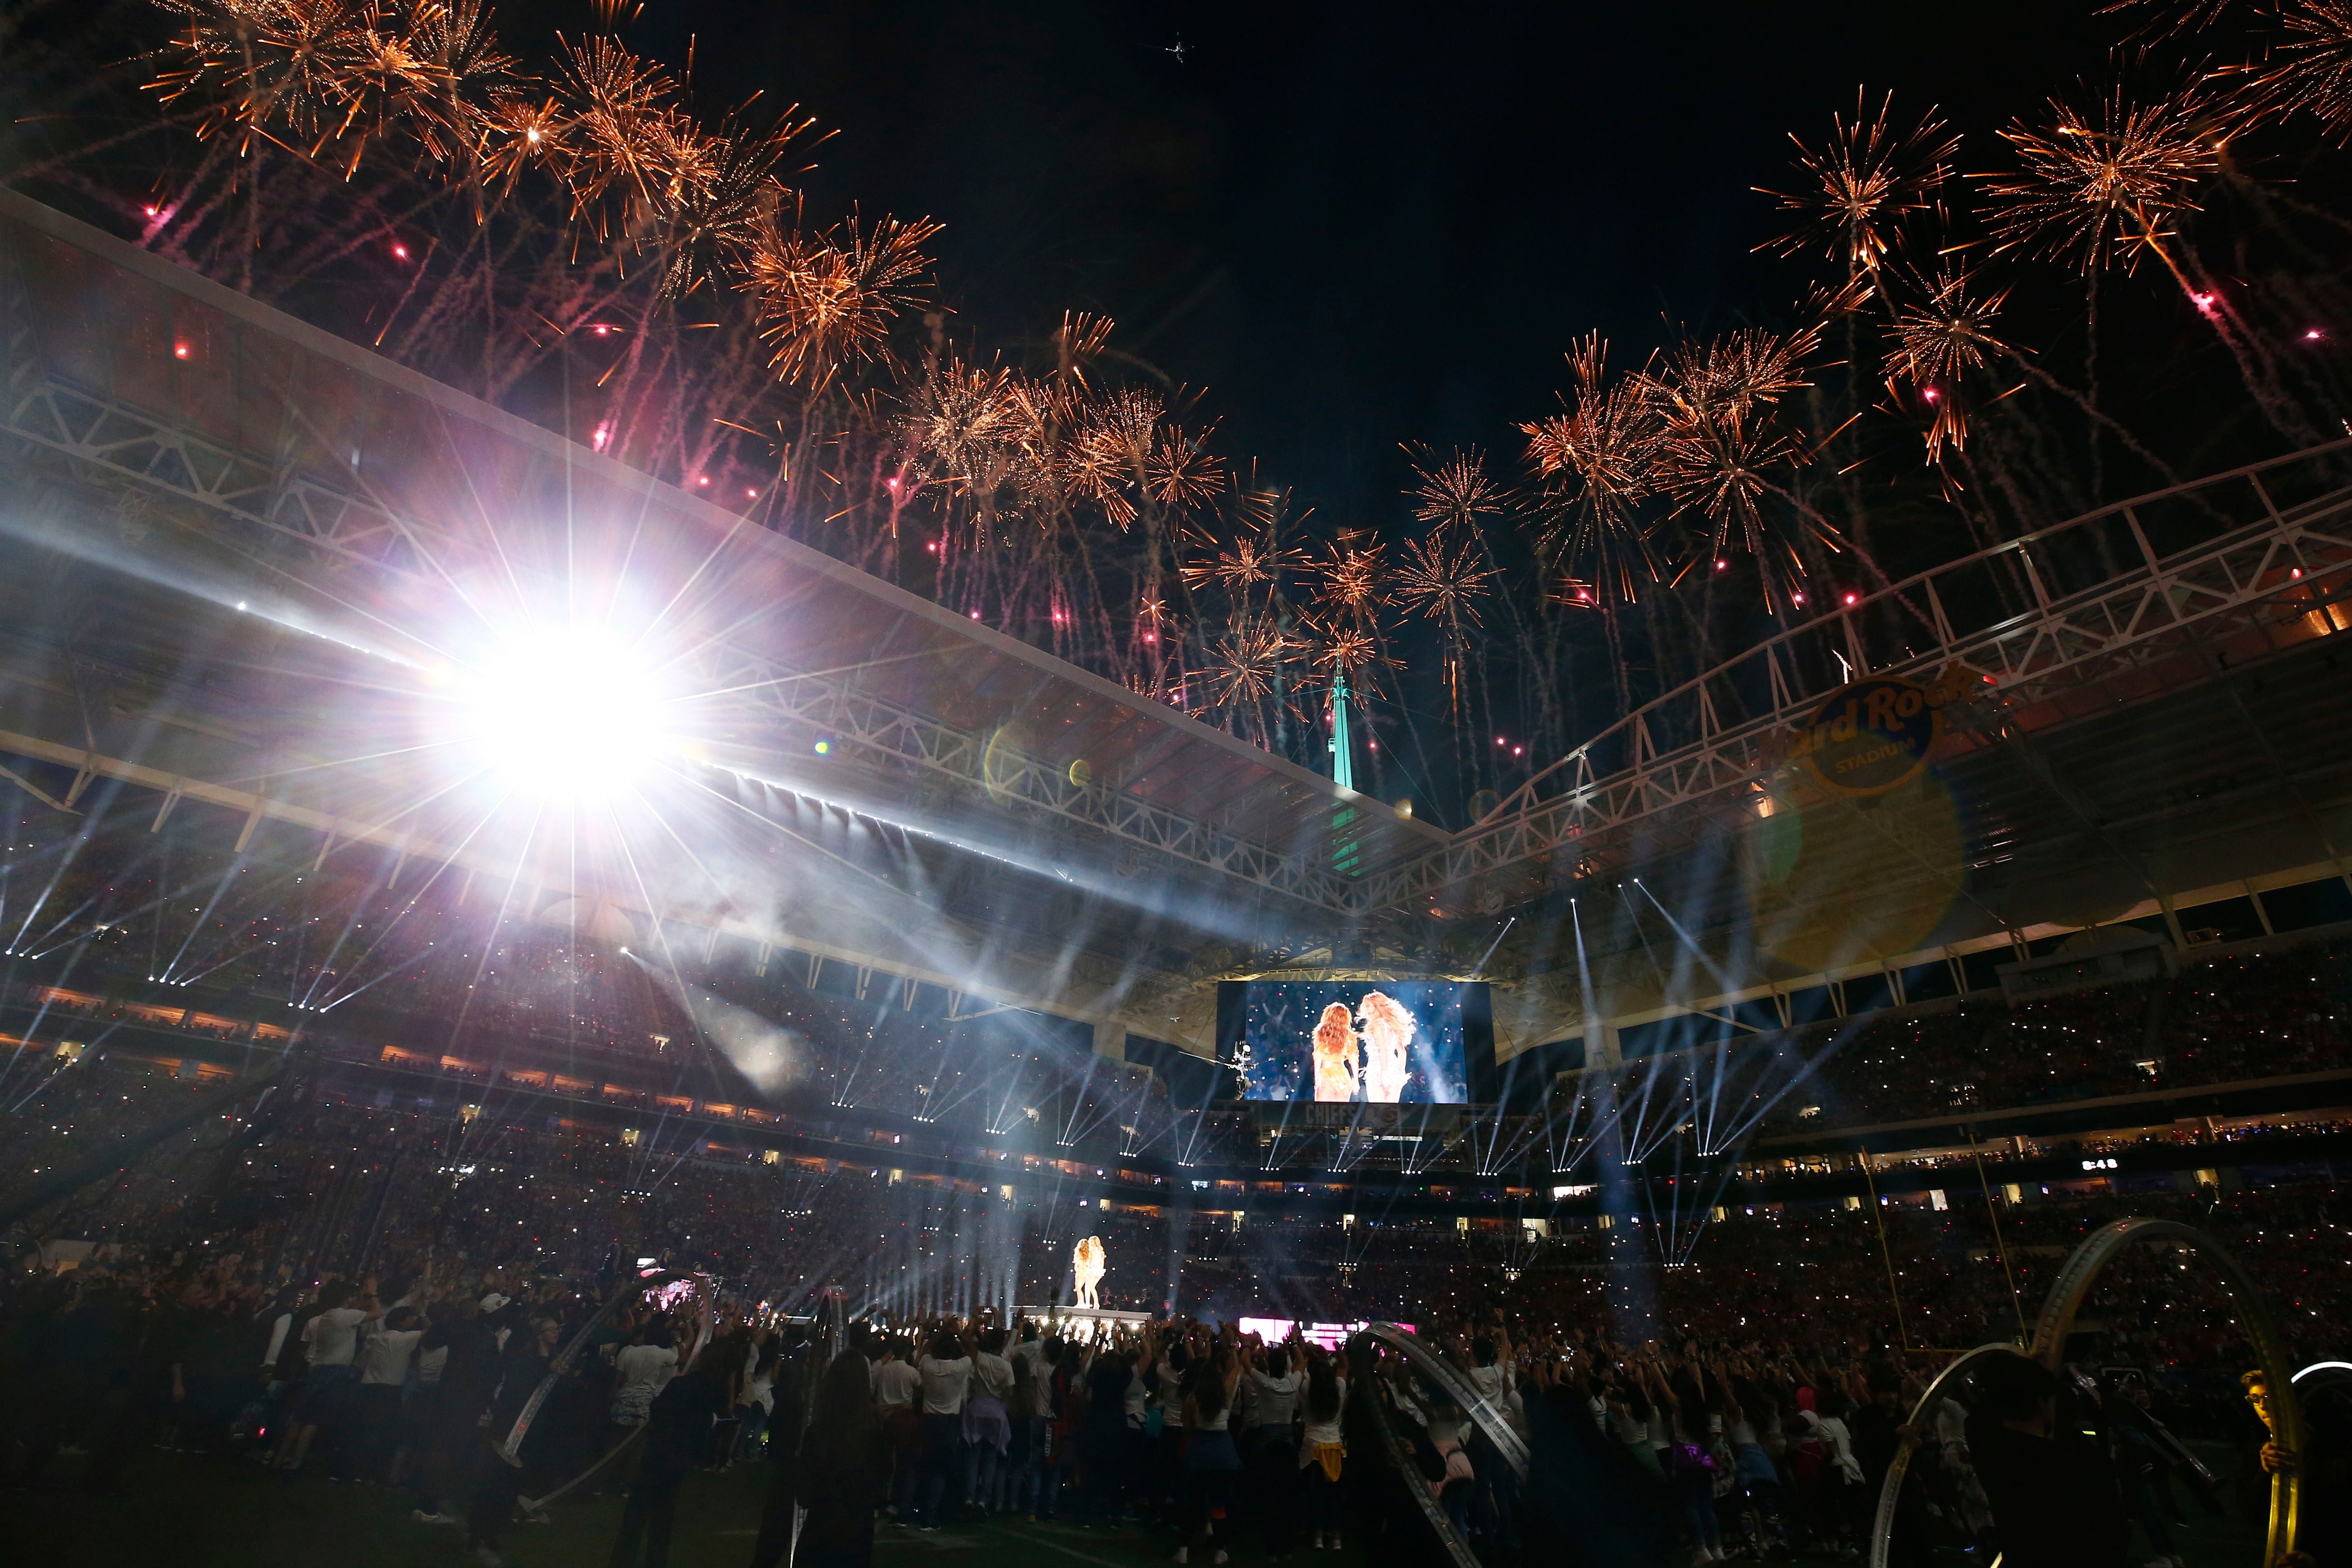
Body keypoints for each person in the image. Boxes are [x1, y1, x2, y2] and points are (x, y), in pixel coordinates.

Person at [1965, 1351, 2128, 1568]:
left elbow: (1978, 1418)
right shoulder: (2078, 1459)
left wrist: (2017, 1377)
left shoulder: (1995, 1452)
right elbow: (2115, 1534)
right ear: (2042, 1404)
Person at [608, 1347, 724, 1568]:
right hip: (679, 1459)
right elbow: (699, 1426)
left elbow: (660, 1410)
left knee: (637, 1513)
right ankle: (655, 1560)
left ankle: (623, 1560)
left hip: (658, 1454)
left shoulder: (681, 1384)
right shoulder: (710, 1389)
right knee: (663, 1515)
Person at [797, 1349, 896, 1568]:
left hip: (820, 1531)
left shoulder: (818, 1432)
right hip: (857, 1533)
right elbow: (882, 1484)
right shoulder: (876, 1432)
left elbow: (803, 1493)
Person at [1176, 1343, 1244, 1566]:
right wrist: (1233, 1345)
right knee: (1219, 1505)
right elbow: (1236, 1369)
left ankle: (1184, 1550)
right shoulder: (1226, 1394)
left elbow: (1186, 1429)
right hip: (1223, 1452)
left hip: (1200, 1452)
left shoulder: (1193, 1399)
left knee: (1194, 1504)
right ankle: (1220, 1551)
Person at [912, 1324, 975, 1529]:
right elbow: (974, 1352)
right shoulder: (959, 1368)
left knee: (926, 1467)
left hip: (929, 1421)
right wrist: (958, 1332)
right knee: (942, 1471)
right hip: (949, 1423)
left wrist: (942, 1332)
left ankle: (917, 1511)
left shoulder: (928, 1366)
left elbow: (926, 1349)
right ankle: (932, 1515)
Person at [1298, 1347, 1348, 1552]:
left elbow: (1300, 1371)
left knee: (1315, 1494)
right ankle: (1335, 1537)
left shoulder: (1308, 1387)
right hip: (1334, 1446)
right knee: (1334, 1496)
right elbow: (1345, 1367)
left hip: (1312, 1447)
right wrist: (1339, 1352)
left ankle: (1317, 1535)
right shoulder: (1339, 1387)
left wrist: (1304, 1352)